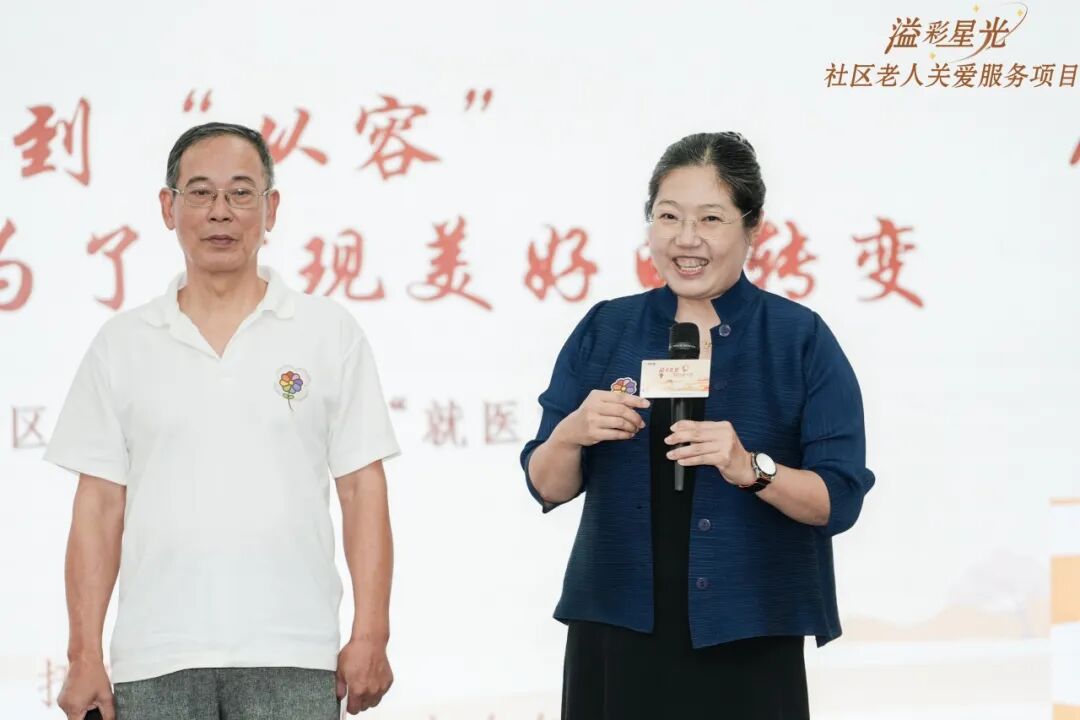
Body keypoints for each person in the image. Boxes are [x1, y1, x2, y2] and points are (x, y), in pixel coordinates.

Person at [46, 122, 400, 720]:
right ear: (168, 207)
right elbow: (98, 507)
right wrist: (84, 654)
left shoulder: (327, 332)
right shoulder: (122, 343)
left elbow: (362, 490)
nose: (220, 212)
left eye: (240, 192)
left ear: (271, 208)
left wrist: (372, 633)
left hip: (294, 653)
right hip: (155, 660)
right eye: (200, 192)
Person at [521, 131, 876, 719]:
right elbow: (546, 485)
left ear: (753, 227)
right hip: (616, 629)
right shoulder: (606, 329)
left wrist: (750, 468)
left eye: (711, 218)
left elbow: (838, 500)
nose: (686, 239)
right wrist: (570, 434)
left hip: (748, 632)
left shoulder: (798, 338)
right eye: (668, 217)